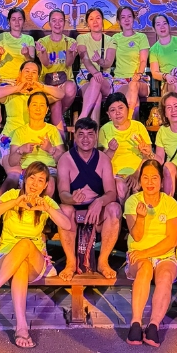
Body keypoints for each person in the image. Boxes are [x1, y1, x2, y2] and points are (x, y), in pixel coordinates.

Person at [0, 162, 72, 349]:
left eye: (40, 180)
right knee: (21, 266)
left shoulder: (46, 202)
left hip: (36, 260)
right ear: (24, 179)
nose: (35, 183)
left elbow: (67, 225)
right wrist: (15, 202)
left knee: (26, 243)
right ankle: (21, 327)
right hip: (7, 258)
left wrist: (47, 209)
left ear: (45, 185)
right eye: (32, 178)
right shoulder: (12, 195)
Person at [124, 159, 177, 347]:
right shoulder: (133, 201)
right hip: (138, 255)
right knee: (146, 268)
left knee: (165, 275)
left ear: (162, 181)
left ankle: (154, 325)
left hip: (165, 255)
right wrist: (140, 218)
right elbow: (137, 236)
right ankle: (135, 323)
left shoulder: (170, 203)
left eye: (154, 178)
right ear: (140, 180)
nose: (150, 182)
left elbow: (171, 241)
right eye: (145, 178)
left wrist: (146, 252)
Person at [56, 117, 121, 280]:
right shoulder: (65, 159)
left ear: (96, 136)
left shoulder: (103, 159)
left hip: (97, 213)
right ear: (75, 136)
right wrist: (72, 199)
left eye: (90, 134)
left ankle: (103, 261)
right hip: (74, 211)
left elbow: (111, 193)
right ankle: (70, 263)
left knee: (114, 208)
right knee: (64, 209)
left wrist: (99, 202)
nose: (85, 139)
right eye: (81, 134)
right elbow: (63, 193)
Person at [0, 61, 64, 185]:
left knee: (36, 175)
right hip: (11, 136)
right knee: (15, 174)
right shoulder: (11, 91)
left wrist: (41, 87)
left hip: (33, 138)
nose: (30, 75)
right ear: (20, 73)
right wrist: (17, 88)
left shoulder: (40, 96)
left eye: (34, 72)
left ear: (38, 76)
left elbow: (60, 94)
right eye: (27, 71)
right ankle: (5, 197)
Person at [6, 92, 65, 196]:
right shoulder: (20, 132)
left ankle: (42, 206)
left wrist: (50, 149)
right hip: (29, 170)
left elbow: (63, 159)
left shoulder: (52, 130)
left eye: (42, 105)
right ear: (28, 108)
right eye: (34, 105)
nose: (38, 109)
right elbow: (11, 162)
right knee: (28, 182)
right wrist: (21, 150)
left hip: (49, 169)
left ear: (47, 110)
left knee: (49, 183)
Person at [99, 93, 154, 202]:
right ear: (108, 114)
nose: (118, 113)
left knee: (138, 186)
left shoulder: (138, 127)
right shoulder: (104, 130)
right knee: (121, 187)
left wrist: (137, 173)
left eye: (120, 108)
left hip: (139, 171)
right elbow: (101, 161)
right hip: (117, 175)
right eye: (113, 110)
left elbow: (148, 155)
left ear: (127, 109)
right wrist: (110, 150)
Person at [36, 9, 78, 130]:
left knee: (70, 89)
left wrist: (70, 53)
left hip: (65, 82)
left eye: (60, 21)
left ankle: (54, 116)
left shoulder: (71, 42)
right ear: (49, 23)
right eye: (54, 21)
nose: (57, 24)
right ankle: (58, 122)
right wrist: (43, 52)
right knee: (56, 99)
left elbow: (68, 64)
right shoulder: (42, 42)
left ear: (64, 23)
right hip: (47, 83)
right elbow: (46, 64)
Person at [108, 6, 150, 118]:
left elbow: (143, 60)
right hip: (120, 80)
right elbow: (109, 59)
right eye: (123, 17)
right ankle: (132, 122)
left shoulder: (141, 37)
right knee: (134, 99)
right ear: (119, 21)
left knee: (133, 85)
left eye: (129, 16)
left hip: (140, 80)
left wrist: (139, 74)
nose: (126, 20)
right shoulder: (115, 38)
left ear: (133, 18)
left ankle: (126, 122)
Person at [77, 8, 115, 122]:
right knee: (97, 96)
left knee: (96, 80)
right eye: (91, 19)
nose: (95, 21)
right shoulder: (81, 38)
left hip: (104, 78)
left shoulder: (110, 40)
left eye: (98, 18)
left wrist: (99, 61)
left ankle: (82, 118)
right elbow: (85, 58)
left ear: (102, 20)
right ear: (87, 23)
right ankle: (95, 130)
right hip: (85, 76)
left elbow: (108, 62)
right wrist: (95, 72)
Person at [0, 8, 35, 84]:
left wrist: (26, 55)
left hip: (22, 80)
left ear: (24, 21)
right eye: (13, 19)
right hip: (3, 79)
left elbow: (31, 63)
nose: (17, 22)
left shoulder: (29, 39)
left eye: (20, 19)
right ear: (9, 22)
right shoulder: (1, 37)